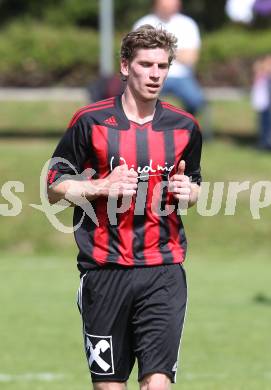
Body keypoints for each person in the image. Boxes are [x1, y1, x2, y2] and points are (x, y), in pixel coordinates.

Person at [47, 25, 202, 389]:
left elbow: (193, 183)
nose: (154, 74)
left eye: (162, 66)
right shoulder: (91, 121)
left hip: (163, 270)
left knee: (157, 383)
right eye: (145, 64)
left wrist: (189, 192)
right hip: (104, 271)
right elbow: (53, 186)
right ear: (125, 66)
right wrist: (100, 186)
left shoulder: (184, 127)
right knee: (110, 386)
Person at [133, 0, 205, 116]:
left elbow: (191, 57)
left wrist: (159, 50)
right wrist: (176, 51)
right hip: (150, 74)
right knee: (136, 99)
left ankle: (185, 128)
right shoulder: (143, 23)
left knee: (195, 100)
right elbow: (137, 55)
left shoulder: (188, 24)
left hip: (181, 76)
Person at [251, 55, 271, 150]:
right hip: (263, 104)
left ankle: (266, 142)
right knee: (264, 124)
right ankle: (264, 142)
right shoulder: (262, 76)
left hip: (266, 105)